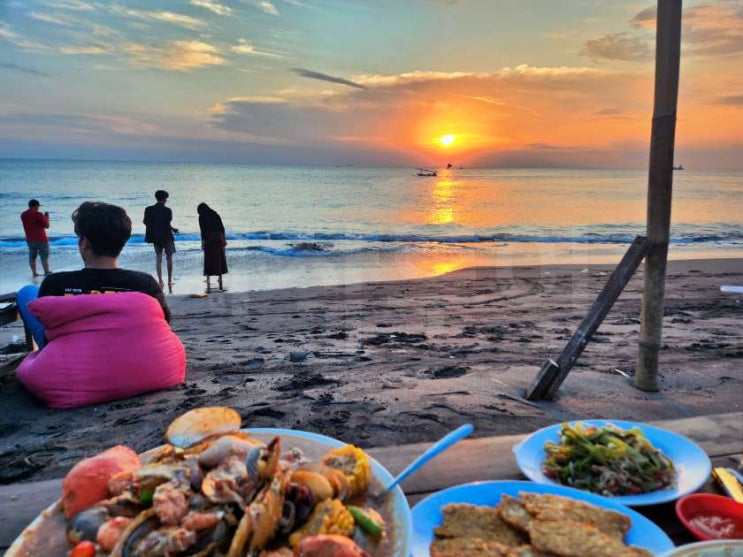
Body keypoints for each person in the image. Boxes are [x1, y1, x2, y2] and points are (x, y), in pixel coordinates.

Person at [17, 201, 171, 349]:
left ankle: (37, 353)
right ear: (122, 241)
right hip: (125, 347)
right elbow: (164, 320)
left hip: (69, 352)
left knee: (27, 292)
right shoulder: (144, 284)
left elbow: (46, 323)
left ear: (84, 243)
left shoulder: (55, 284)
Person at [143, 189, 178, 288]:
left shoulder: (148, 209)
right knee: (169, 258)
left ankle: (160, 280)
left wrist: (154, 228)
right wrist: (173, 229)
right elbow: (167, 223)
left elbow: (145, 222)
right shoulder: (168, 210)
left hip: (155, 237)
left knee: (158, 258)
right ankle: (169, 279)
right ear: (165, 199)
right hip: (167, 236)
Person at [197, 203, 228, 291]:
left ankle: (208, 278)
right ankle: (220, 277)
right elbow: (222, 227)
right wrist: (224, 238)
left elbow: (202, 230)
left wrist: (202, 242)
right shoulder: (215, 214)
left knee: (208, 258)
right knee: (219, 257)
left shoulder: (202, 217)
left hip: (209, 237)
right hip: (218, 236)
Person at [20, 199, 51, 277]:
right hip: (41, 238)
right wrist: (46, 218)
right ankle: (46, 272)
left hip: (30, 239)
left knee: (32, 256)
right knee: (44, 256)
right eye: (38, 206)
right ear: (36, 206)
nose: (38, 208)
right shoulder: (38, 214)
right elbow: (47, 226)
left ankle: (34, 273)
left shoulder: (23, 215)